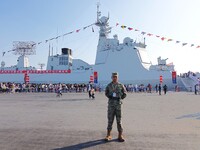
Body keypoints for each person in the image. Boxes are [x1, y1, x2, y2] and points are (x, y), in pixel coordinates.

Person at [105, 72, 127, 142]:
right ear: (111, 77)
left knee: (119, 121)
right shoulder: (109, 85)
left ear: (117, 77)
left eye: (116, 77)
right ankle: (108, 135)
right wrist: (111, 97)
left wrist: (119, 99)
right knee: (110, 120)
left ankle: (120, 135)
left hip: (118, 105)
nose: (114, 78)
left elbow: (125, 93)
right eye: (113, 77)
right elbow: (106, 93)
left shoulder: (121, 85)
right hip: (111, 105)